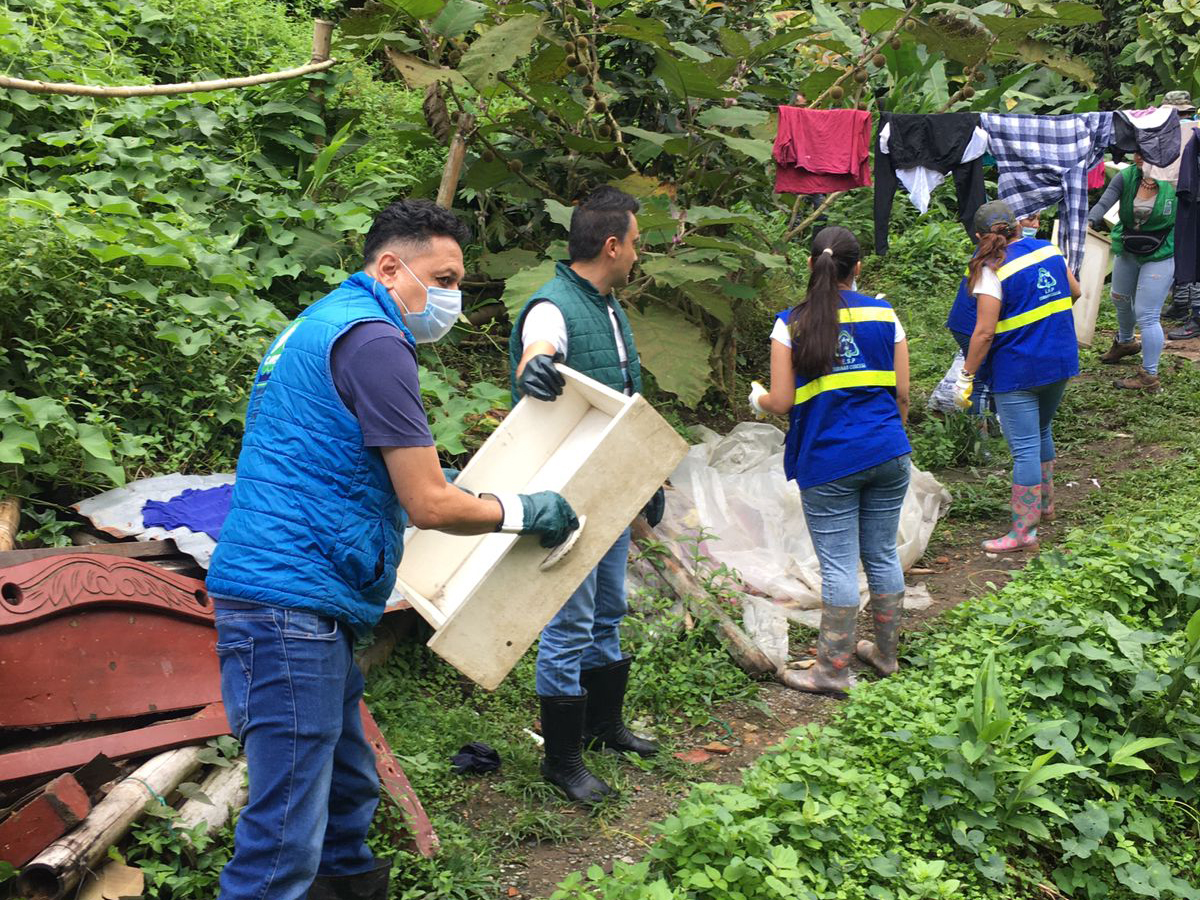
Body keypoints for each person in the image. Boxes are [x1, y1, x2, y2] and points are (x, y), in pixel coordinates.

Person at [206, 200, 579, 900]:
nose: (451, 298)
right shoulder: (375, 340)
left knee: (346, 787)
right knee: (283, 834)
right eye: (442, 276)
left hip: (298, 597)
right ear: (389, 266)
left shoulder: (318, 323)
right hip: (290, 602)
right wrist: (524, 510)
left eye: (459, 281)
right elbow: (429, 503)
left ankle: (349, 887)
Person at [509, 186, 662, 805]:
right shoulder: (553, 306)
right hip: (570, 496)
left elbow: (625, 397)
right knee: (569, 624)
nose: (637, 253)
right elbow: (536, 357)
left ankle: (603, 726)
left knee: (607, 613)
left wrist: (647, 480)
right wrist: (533, 373)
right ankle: (562, 760)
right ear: (611, 245)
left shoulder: (609, 305)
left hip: (615, 485)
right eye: (635, 241)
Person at [749, 225, 911, 698]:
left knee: (839, 568)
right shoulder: (885, 316)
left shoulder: (791, 323)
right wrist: (892, 434)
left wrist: (758, 398)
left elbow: (781, 401)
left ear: (809, 266)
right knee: (881, 553)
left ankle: (833, 672)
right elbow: (902, 393)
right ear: (857, 268)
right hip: (888, 451)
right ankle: (885, 654)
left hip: (830, 461)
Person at [956, 200, 1082, 553]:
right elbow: (1076, 292)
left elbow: (982, 334)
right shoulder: (1048, 249)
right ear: (1017, 226)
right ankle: (1045, 505)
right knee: (1041, 430)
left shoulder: (989, 270)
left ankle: (1024, 531)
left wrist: (967, 375)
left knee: (1024, 448)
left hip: (1018, 371)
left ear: (979, 236)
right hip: (1059, 361)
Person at [1088, 153, 1178, 392]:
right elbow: (1105, 202)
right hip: (1128, 246)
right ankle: (1126, 342)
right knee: (1119, 297)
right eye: (1137, 151)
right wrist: (1089, 221)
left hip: (1161, 252)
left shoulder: (1176, 179)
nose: (1138, 156)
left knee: (1147, 313)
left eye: (1146, 152)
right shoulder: (1127, 176)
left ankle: (1150, 375)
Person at [946, 211, 1043, 418]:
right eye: (1031, 219)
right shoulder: (991, 258)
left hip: (975, 322)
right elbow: (985, 331)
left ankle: (995, 425)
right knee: (981, 379)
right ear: (1015, 226)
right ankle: (979, 440)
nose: (1035, 225)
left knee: (992, 375)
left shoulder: (1004, 250)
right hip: (971, 325)